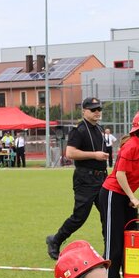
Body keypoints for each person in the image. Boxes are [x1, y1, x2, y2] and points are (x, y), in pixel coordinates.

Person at [98, 108, 139, 278]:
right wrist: (132, 196)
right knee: (114, 238)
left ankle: (131, 276)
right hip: (113, 193)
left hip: (128, 195)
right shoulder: (131, 146)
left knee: (131, 236)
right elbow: (120, 174)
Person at [45, 97, 109, 260]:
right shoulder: (79, 130)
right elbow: (70, 153)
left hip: (102, 178)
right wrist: (94, 155)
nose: (97, 112)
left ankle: (109, 250)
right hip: (85, 179)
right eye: (93, 110)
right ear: (84, 111)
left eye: (99, 109)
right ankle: (55, 240)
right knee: (80, 217)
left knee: (108, 215)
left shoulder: (99, 129)